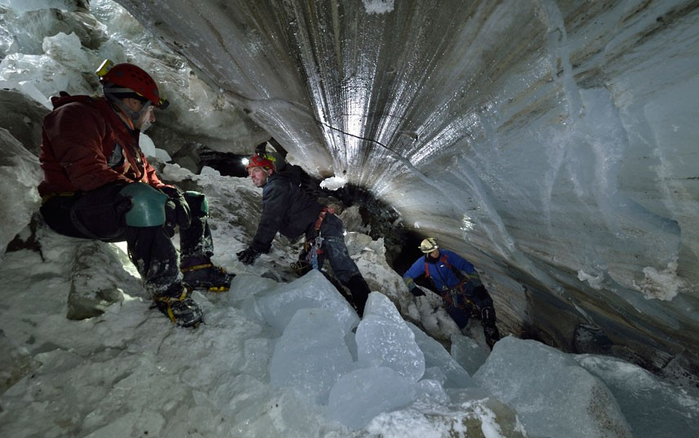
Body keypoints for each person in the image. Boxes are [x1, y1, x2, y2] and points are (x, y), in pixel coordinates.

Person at [38, 60, 233, 328]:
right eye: (150, 108)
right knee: (141, 198)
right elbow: (86, 173)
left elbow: (148, 177)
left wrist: (169, 193)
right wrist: (151, 195)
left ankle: (197, 267)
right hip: (69, 208)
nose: (151, 117)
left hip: (108, 204)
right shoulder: (76, 115)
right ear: (132, 102)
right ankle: (168, 291)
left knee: (193, 200)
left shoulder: (124, 136)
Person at [236, 152, 372, 316]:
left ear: (269, 170)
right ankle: (348, 305)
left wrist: (256, 248)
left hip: (325, 226)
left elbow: (270, 219)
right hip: (316, 231)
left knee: (342, 268)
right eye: (250, 173)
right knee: (308, 270)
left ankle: (368, 309)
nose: (252, 176)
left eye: (256, 171)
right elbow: (296, 173)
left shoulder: (275, 187)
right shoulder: (283, 182)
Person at [403, 238, 501, 348]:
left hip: (463, 285)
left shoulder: (447, 255)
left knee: (484, 301)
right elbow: (407, 276)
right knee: (460, 321)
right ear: (427, 254)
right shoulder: (422, 264)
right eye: (433, 252)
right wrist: (412, 288)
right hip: (448, 294)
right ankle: (469, 317)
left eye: (437, 250)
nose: (436, 253)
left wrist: (478, 285)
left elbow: (467, 267)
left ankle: (491, 332)